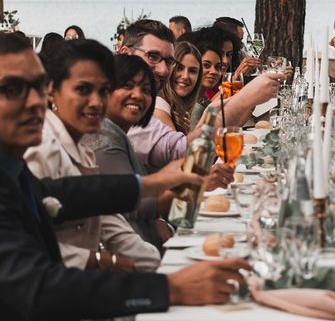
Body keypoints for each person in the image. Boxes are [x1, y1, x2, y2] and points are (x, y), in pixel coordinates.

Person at [0, 33, 251, 320]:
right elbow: (37, 288)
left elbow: (62, 194)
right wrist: (168, 288)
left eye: (37, 86)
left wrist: (154, 182)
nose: (35, 101)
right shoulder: (47, 149)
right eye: (12, 89)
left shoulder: (15, 168)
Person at [25, 39, 160, 272]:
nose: (97, 102)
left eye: (104, 91)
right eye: (83, 89)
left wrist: (158, 267)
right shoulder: (43, 149)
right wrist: (100, 261)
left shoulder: (83, 150)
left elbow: (111, 225)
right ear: (51, 91)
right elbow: (26, 246)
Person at [84, 55, 233, 250]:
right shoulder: (102, 137)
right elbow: (132, 204)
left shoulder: (117, 132)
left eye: (146, 90)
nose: (138, 95)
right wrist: (198, 182)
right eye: (127, 85)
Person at [122, 19, 283, 172]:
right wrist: (246, 97)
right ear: (125, 53)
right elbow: (187, 156)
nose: (164, 70)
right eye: (153, 56)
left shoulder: (152, 106)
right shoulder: (157, 106)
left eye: (168, 61)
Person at [155, 42, 202, 134]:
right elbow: (179, 148)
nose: (185, 76)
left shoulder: (179, 112)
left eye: (192, 71)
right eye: (179, 68)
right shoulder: (160, 107)